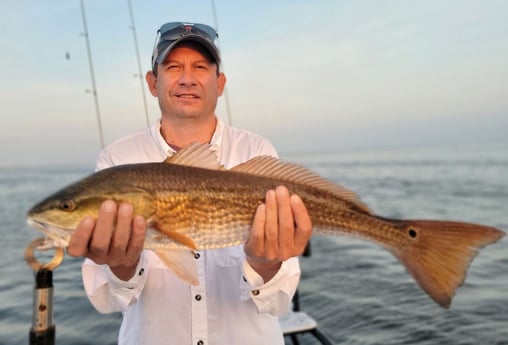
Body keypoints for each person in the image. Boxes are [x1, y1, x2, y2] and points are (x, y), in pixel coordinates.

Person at [67, 22, 313, 345]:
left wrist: (265, 264)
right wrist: (121, 266)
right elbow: (109, 300)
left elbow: (278, 299)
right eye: (173, 67)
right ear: (152, 82)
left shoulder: (257, 152)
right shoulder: (117, 159)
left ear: (220, 83)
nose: (187, 78)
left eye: (200, 67)